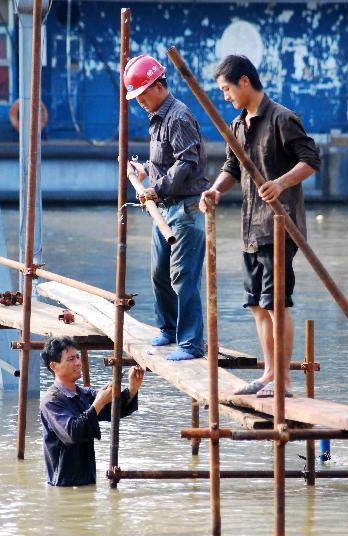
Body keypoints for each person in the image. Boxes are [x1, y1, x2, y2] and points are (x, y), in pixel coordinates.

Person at [200, 55, 321, 398]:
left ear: (244, 82)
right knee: (256, 303)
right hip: (251, 230)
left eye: (227, 89)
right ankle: (269, 375)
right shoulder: (238, 125)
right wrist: (214, 189)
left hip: (281, 227)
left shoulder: (282, 119)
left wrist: (280, 184)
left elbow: (311, 159)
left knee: (276, 303)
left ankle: (283, 381)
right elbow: (232, 168)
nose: (225, 96)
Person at [124, 54, 209, 361]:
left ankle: (190, 343)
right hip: (164, 208)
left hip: (185, 208)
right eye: (136, 97)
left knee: (184, 275)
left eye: (143, 94)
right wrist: (144, 170)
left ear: (158, 86)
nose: (140, 101)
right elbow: (165, 161)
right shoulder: (158, 117)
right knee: (160, 273)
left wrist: (154, 190)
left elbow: (187, 162)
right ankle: (169, 329)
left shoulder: (178, 116)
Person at [40, 336, 144, 486]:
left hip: (86, 480)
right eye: (70, 359)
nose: (77, 362)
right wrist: (99, 402)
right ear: (54, 366)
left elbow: (115, 411)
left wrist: (132, 388)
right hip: (63, 484)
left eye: (77, 357)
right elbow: (72, 433)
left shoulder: (84, 394)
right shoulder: (52, 400)